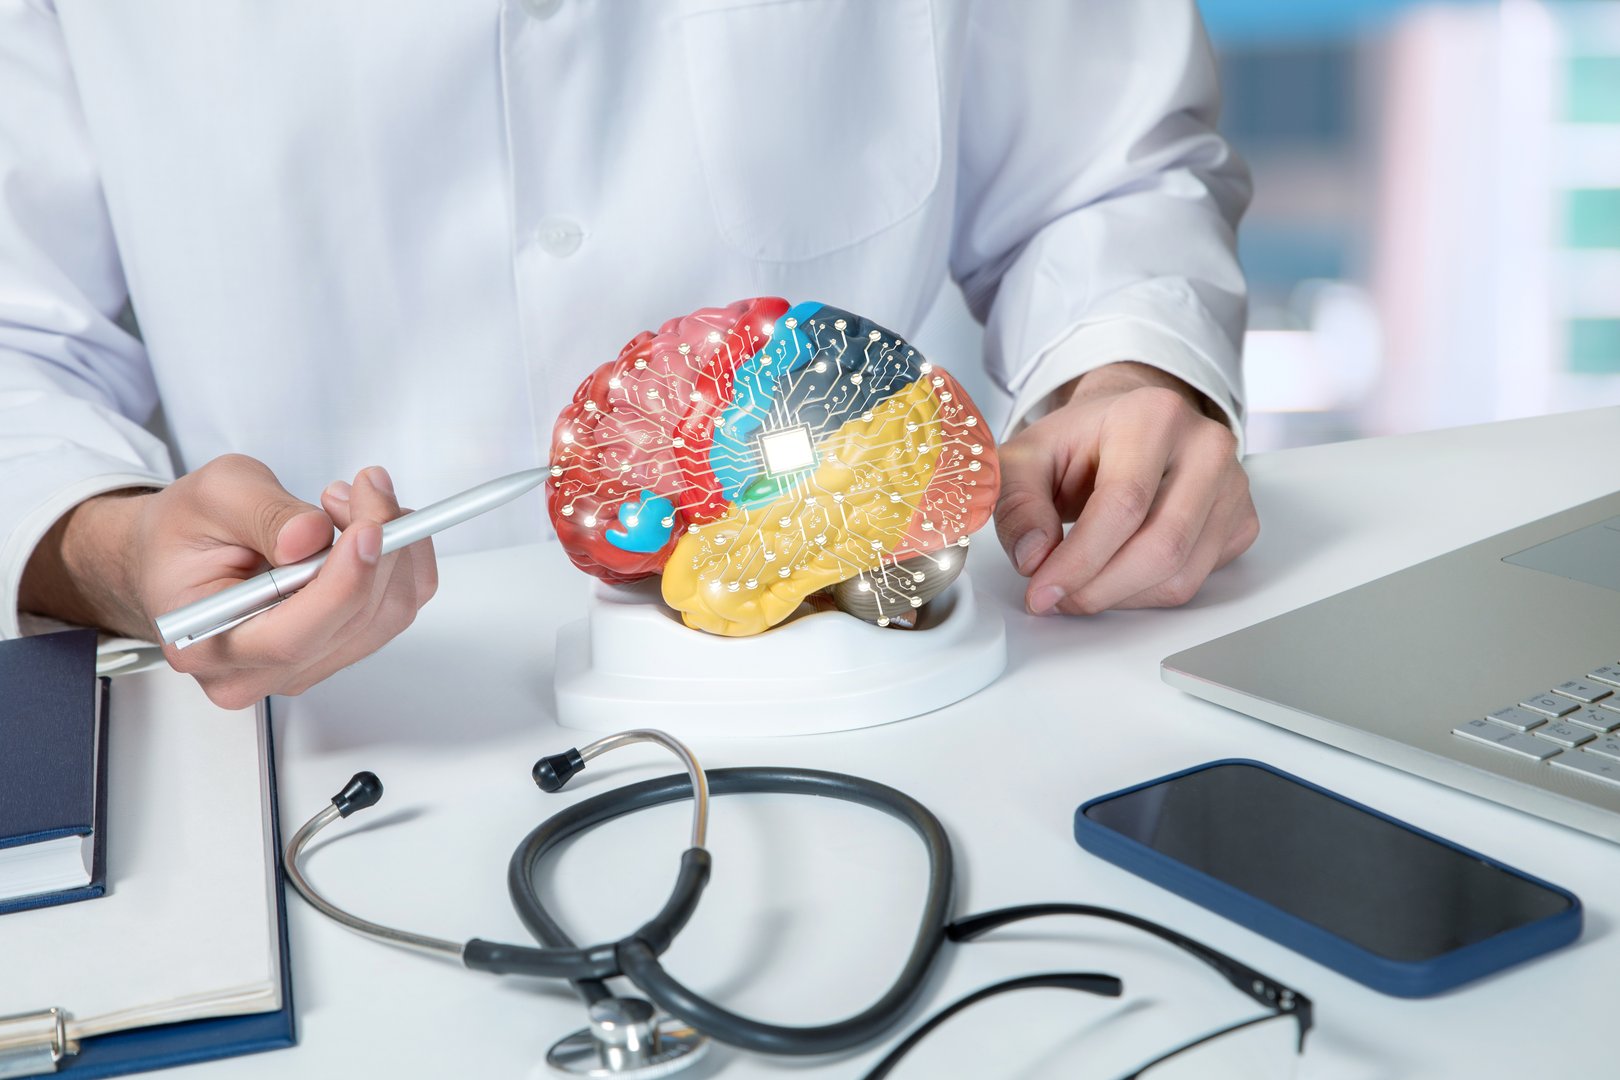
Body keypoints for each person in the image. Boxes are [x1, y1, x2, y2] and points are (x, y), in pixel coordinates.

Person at [3, 1, 1258, 709]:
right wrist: (113, 550)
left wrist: (1131, 370)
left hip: (895, 687)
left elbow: (1103, 177)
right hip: (327, 729)